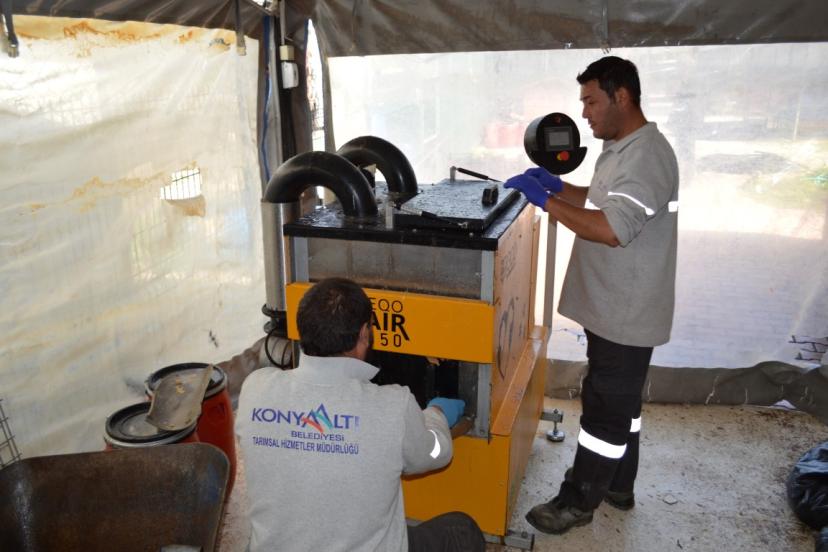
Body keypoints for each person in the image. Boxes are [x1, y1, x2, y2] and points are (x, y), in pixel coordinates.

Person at [504, 56, 679, 535]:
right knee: (623, 406)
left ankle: (577, 502)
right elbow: (605, 201)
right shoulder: (623, 148)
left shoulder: (646, 157)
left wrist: (546, 202)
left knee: (604, 410)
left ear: (621, 96)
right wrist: (560, 187)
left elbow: (612, 228)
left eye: (590, 101)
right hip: (613, 306)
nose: (583, 113)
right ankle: (619, 485)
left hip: (626, 312)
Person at [236, 277, 486, 551]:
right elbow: (437, 453)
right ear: (364, 334)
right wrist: (436, 414)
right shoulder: (393, 405)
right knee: (463, 531)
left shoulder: (255, 389)